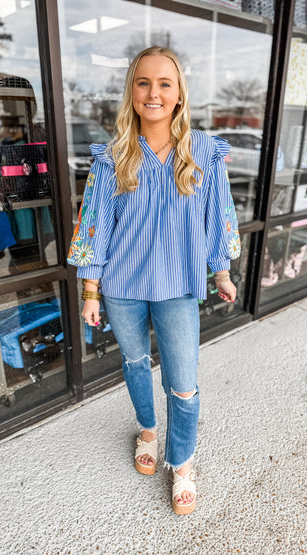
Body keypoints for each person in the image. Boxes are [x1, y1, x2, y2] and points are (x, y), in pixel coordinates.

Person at [67, 46, 240, 515]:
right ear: (132, 91)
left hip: (180, 287)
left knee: (183, 382)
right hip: (121, 287)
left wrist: (221, 270)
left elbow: (218, 216)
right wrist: (91, 288)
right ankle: (146, 429)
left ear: (180, 93)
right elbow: (95, 224)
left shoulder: (203, 150)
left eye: (165, 83)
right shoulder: (114, 155)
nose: (154, 92)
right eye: (144, 82)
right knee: (135, 362)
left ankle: (181, 462)